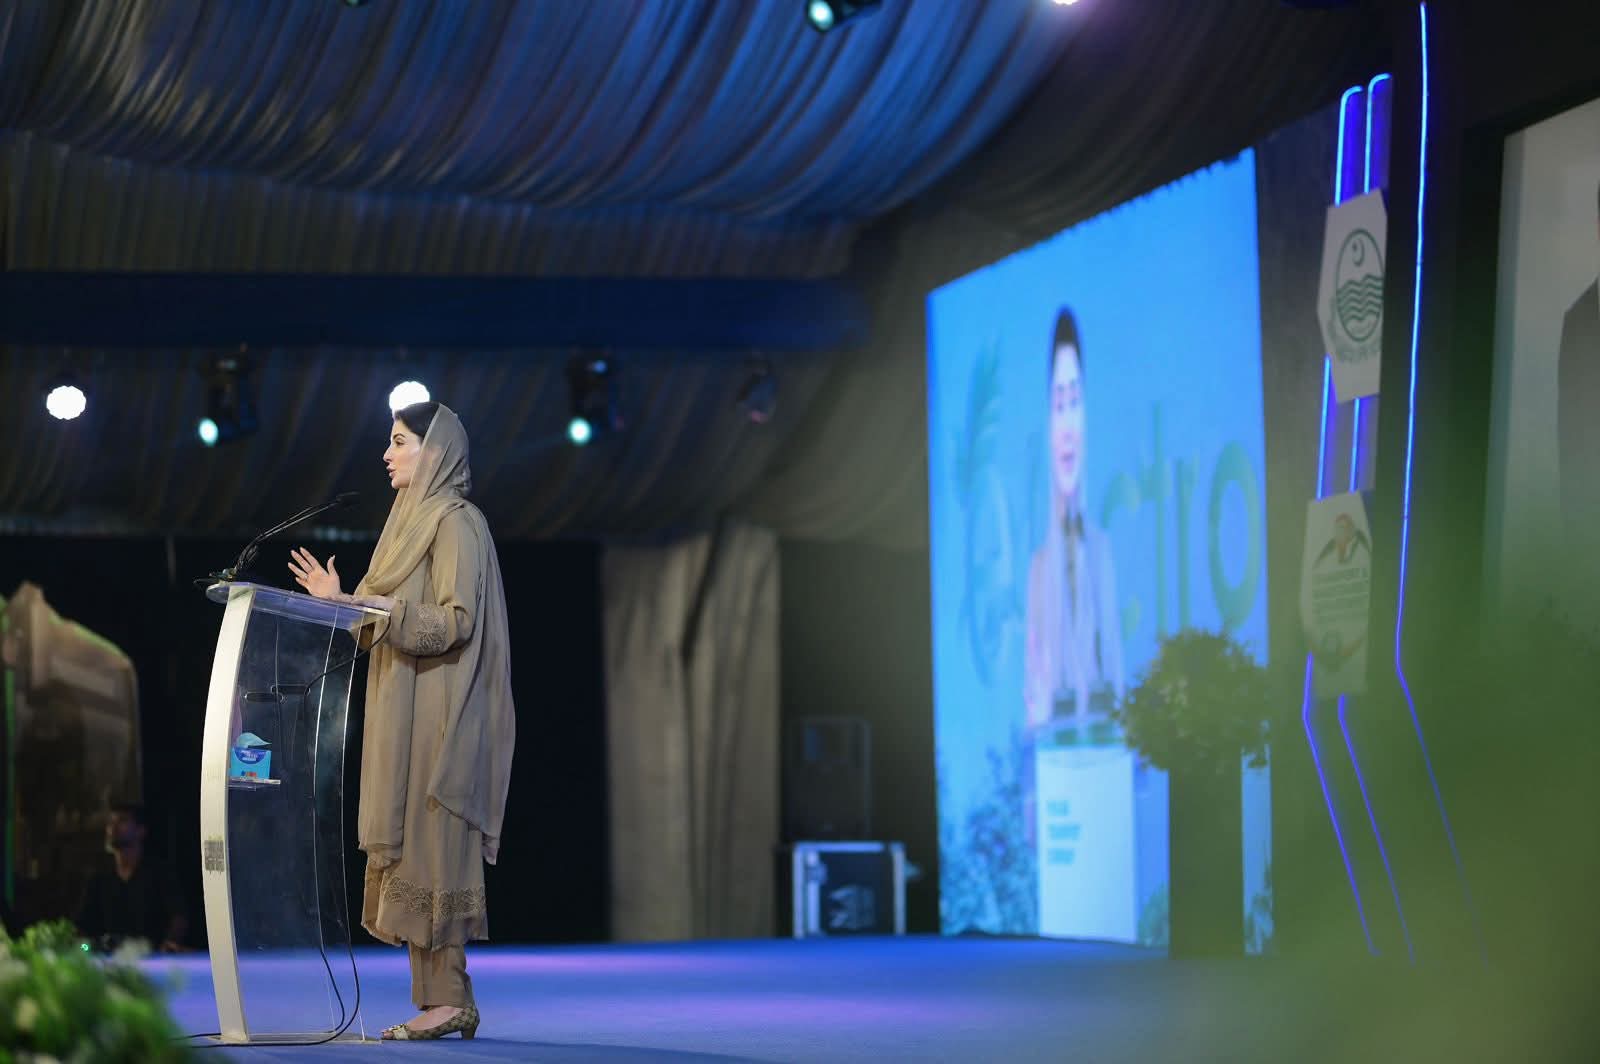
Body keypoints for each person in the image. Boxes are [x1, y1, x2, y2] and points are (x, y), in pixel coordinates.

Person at [287, 401, 515, 1041]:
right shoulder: (406, 524)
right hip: (403, 707)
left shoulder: (456, 522)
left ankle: (449, 999)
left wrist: (370, 607)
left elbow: (456, 621)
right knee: (413, 848)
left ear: (434, 450)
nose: (387, 455)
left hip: (440, 714)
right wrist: (341, 605)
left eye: (399, 442)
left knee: (434, 848)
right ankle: (444, 999)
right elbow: (381, 619)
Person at [1023, 308, 1125, 734]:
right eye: (1058, 403)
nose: (1066, 425)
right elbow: (1032, 695)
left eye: (1074, 401)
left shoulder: (1100, 549)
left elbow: (1115, 662)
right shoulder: (1039, 567)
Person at [74, 803, 189, 952]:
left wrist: (168, 944)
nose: (113, 828)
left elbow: (179, 916)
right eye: (110, 823)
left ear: (141, 831)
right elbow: (82, 925)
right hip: (108, 958)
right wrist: (85, 948)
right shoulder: (99, 878)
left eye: (122, 821)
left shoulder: (159, 873)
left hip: (152, 957)